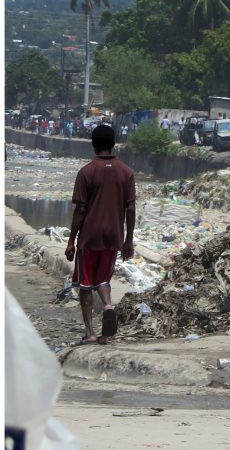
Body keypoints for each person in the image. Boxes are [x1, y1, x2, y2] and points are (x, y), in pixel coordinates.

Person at [65, 125, 136, 346]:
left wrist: (71, 240)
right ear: (114, 143)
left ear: (93, 144)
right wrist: (128, 240)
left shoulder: (86, 172)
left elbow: (81, 210)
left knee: (85, 285)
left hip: (89, 237)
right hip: (113, 236)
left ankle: (91, 333)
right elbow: (131, 209)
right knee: (103, 279)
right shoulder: (126, 172)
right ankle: (107, 307)